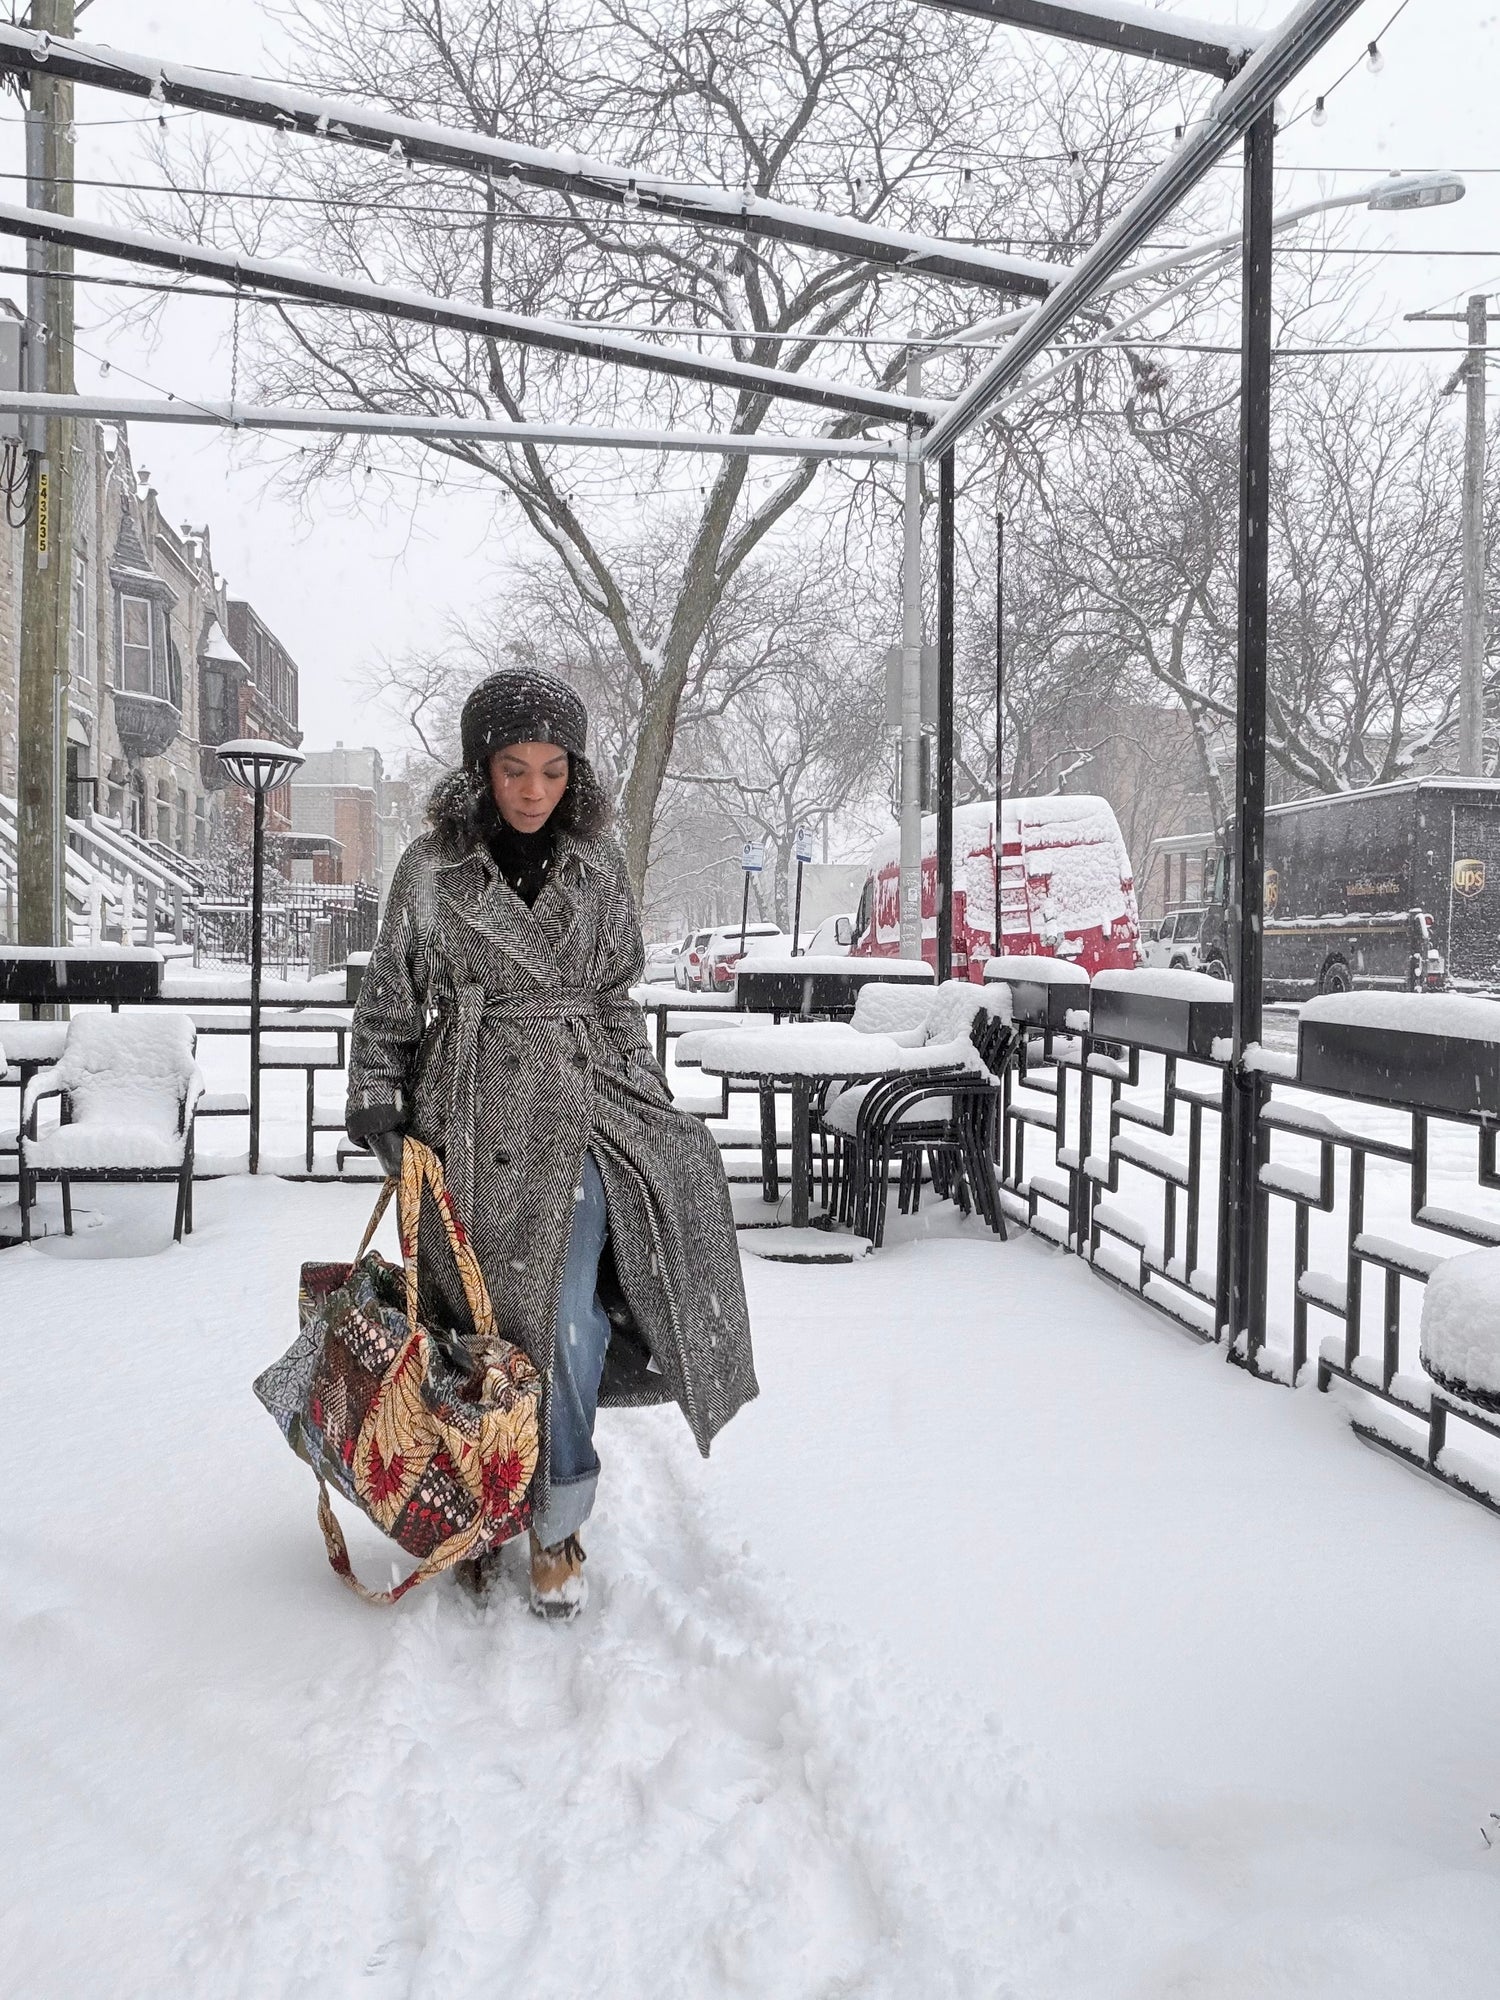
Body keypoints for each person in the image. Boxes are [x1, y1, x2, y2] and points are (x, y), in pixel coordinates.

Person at [345, 668, 757, 1618]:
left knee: (567, 1317)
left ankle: (557, 1519)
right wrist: (377, 1100)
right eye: (513, 768)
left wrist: (644, 1097)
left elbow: (614, 999)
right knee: (468, 1328)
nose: (534, 790)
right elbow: (390, 1003)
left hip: (581, 1112)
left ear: (576, 773)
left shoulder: (598, 865)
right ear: (480, 770)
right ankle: (480, 1507)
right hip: (468, 1113)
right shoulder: (430, 868)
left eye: (554, 769)